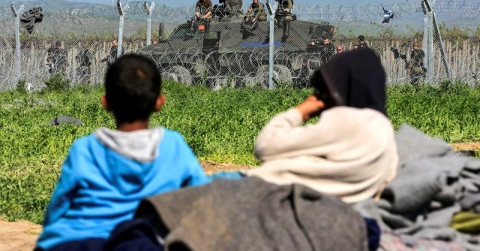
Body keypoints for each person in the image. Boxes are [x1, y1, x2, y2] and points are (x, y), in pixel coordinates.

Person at [35, 54, 210, 251]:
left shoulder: (85, 148)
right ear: (159, 102)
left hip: (76, 242)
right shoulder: (172, 145)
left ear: (106, 103)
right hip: (144, 242)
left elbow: (59, 206)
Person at [245, 48, 399, 204]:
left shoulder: (347, 121)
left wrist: (304, 109)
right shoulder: (385, 129)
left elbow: (265, 146)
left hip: (265, 191)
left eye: (329, 89)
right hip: (334, 208)